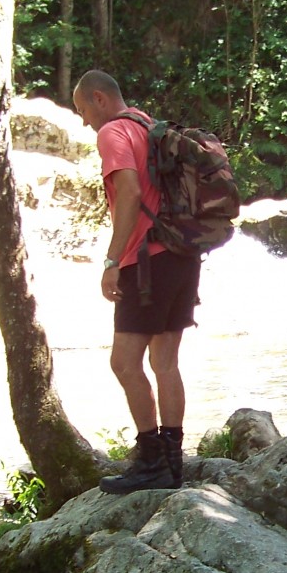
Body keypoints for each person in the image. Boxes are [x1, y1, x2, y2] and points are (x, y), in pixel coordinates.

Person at [72, 69, 201, 492]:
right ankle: (173, 464)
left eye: (83, 110)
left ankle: (151, 463)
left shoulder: (112, 134)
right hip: (182, 255)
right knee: (164, 362)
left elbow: (128, 194)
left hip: (146, 262)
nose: (84, 120)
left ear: (99, 99)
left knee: (124, 362)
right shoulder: (147, 124)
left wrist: (112, 259)